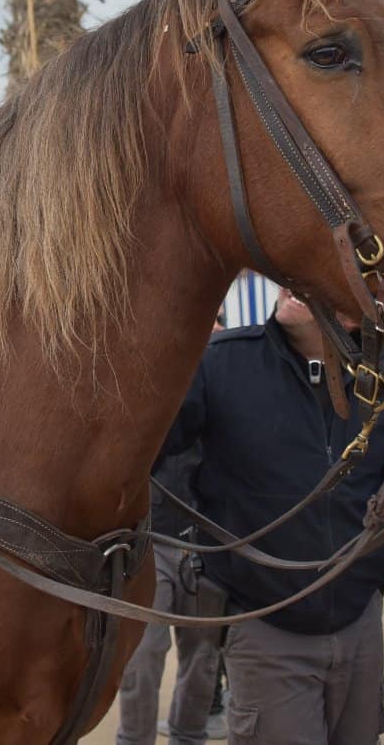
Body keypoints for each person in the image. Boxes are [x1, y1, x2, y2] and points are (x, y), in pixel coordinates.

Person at [157, 290, 384, 745]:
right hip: (265, 624)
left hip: (360, 624)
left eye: (314, 277)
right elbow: (141, 452)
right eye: (289, 277)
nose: (292, 283)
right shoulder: (220, 364)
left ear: (357, 311)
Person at [115, 318, 226, 745]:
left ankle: (188, 735)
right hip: (153, 539)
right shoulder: (147, 381)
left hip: (208, 540)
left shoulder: (225, 387)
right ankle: (134, 739)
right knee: (142, 659)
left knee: (203, 660)